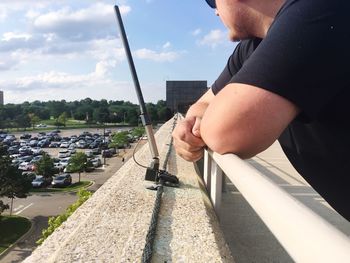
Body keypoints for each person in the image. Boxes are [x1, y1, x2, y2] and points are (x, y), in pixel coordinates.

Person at [172, 0, 350, 222]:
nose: (216, 12)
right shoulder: (252, 48)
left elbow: (226, 132)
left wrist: (202, 125)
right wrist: (193, 122)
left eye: (211, 2)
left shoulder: (322, 9)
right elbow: (204, 104)